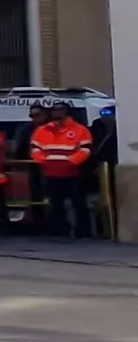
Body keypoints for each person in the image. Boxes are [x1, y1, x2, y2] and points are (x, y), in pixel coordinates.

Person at [29, 101, 98, 239]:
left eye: (60, 110)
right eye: (54, 110)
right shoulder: (42, 130)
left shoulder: (80, 130)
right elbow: (35, 149)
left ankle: (83, 232)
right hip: (51, 174)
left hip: (74, 174)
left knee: (79, 204)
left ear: (67, 112)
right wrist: (44, 162)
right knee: (55, 205)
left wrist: (71, 162)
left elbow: (86, 149)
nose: (57, 113)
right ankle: (60, 231)